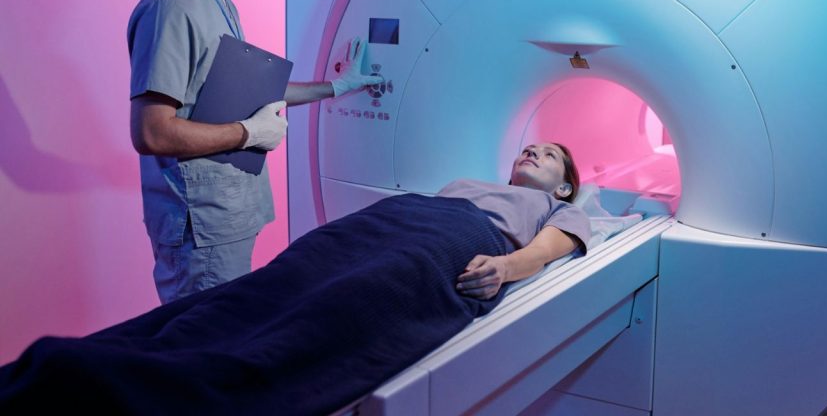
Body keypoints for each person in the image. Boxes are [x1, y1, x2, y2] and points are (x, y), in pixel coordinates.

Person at [0, 142, 591, 415]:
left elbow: (553, 247)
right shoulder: (462, 178)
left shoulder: (554, 210)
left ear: (564, 185)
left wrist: (506, 268)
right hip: (399, 216)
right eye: (528, 147)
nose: (532, 152)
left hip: (453, 241)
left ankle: (146, 386)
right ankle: (107, 356)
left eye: (548, 156)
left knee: (344, 305)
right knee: (271, 285)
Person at [127, 0, 376, 304]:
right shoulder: (172, 8)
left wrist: (336, 87)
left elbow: (256, 94)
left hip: (227, 217)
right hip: (200, 227)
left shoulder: (218, 1)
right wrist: (249, 133)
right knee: (206, 347)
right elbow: (152, 132)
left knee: (227, 337)